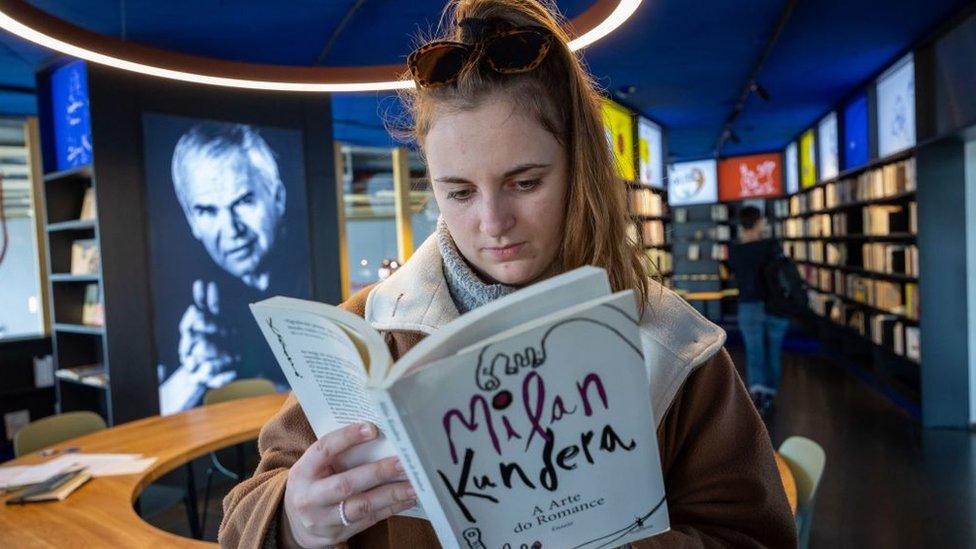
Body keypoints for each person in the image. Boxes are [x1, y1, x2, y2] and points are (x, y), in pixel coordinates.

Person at [220, 1, 796, 547]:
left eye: (525, 183)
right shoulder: (367, 329)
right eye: (460, 192)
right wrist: (296, 520)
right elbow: (244, 514)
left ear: (580, 169)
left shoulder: (677, 346)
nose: (493, 222)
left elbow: (754, 537)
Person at [158, 122, 306, 414]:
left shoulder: (313, 277)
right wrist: (195, 372)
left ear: (277, 196)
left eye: (243, 202)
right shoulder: (176, 304)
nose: (231, 230)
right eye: (208, 211)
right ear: (191, 220)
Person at [727, 205, 792, 416]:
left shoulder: (735, 250)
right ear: (758, 222)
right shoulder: (770, 246)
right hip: (774, 306)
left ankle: (759, 396)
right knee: (772, 351)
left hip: (748, 306)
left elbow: (735, 273)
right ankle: (770, 395)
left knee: (754, 352)